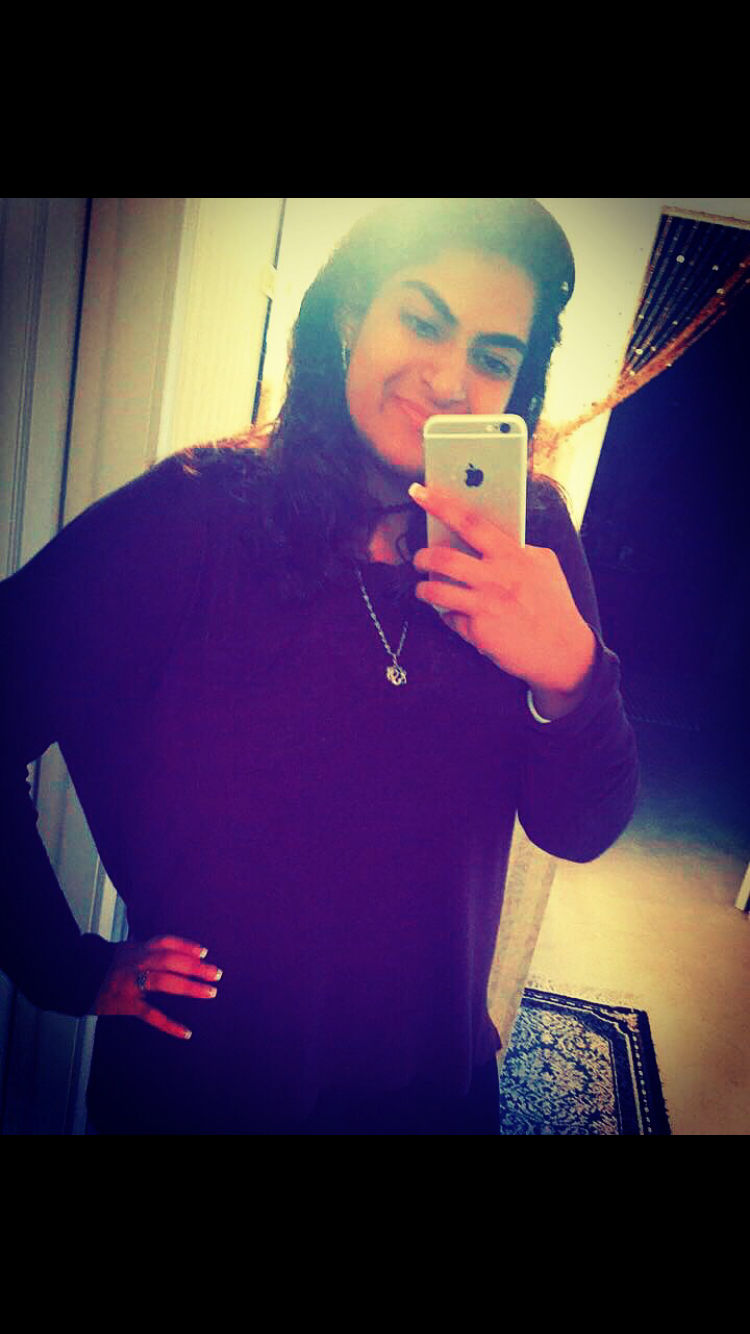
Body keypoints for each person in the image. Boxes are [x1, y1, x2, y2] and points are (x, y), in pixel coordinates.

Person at [0, 198, 638, 1135]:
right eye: (422, 320)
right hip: (202, 1094)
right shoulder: (192, 519)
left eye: (494, 357)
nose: (450, 378)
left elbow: (581, 828)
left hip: (433, 1093)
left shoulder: (527, 541)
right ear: (349, 315)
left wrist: (572, 675)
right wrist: (62, 965)